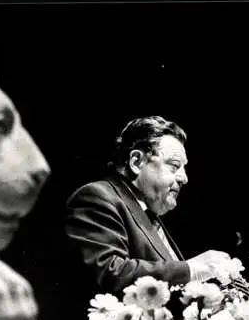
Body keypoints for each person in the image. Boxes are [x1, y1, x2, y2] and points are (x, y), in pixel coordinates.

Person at [65, 116, 233, 296]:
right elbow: (109, 270)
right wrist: (191, 269)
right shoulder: (96, 196)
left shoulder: (148, 213)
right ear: (136, 162)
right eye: (174, 166)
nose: (184, 178)